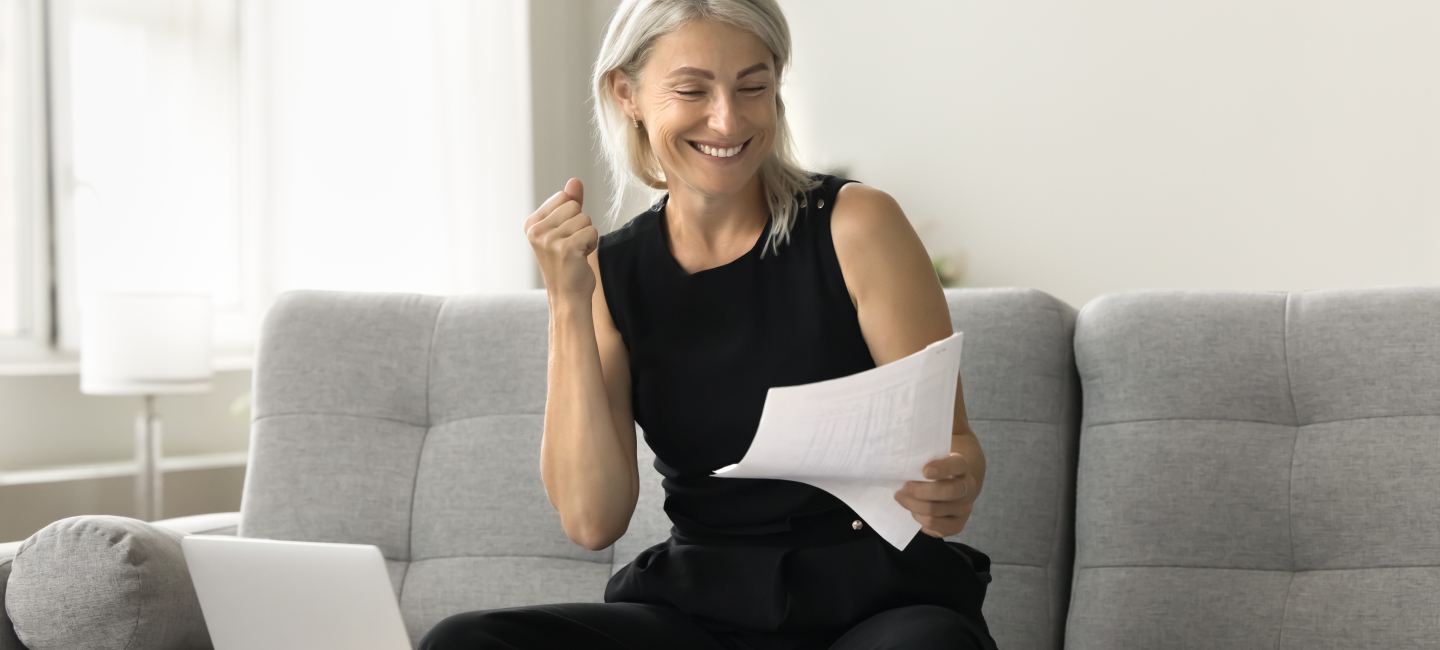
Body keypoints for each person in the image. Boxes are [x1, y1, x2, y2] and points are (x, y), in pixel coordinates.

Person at [420, 1, 996, 648]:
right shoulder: (612, 273)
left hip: (877, 603)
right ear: (627, 93)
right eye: (693, 90)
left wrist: (956, 481)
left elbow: (955, 443)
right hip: (702, 606)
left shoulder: (857, 224)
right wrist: (567, 303)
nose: (727, 119)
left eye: (752, 87)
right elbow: (591, 521)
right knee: (465, 641)